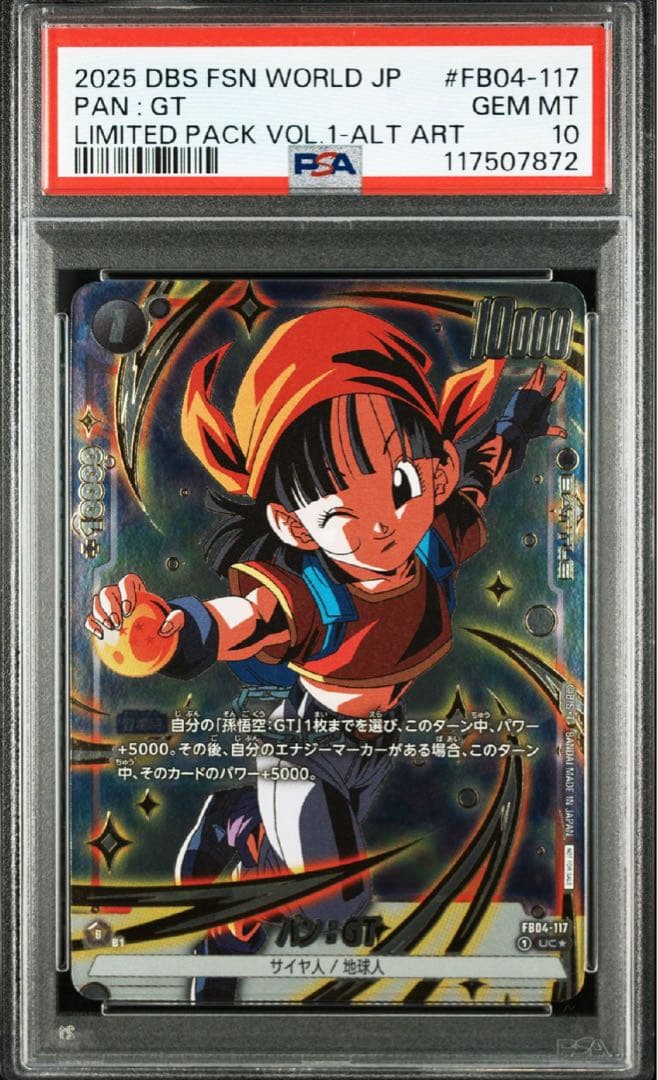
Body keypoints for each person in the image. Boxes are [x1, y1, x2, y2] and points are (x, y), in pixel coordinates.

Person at [86, 307, 566, 1000]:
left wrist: (518, 421)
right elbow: (237, 620)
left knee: (293, 885)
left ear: (434, 474)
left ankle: (244, 831)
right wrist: (163, 632)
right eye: (340, 512)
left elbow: (482, 474)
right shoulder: (309, 596)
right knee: (335, 902)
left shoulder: (434, 544)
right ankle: (242, 843)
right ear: (292, 524)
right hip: (304, 749)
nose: (380, 526)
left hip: (378, 745)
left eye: (400, 488)